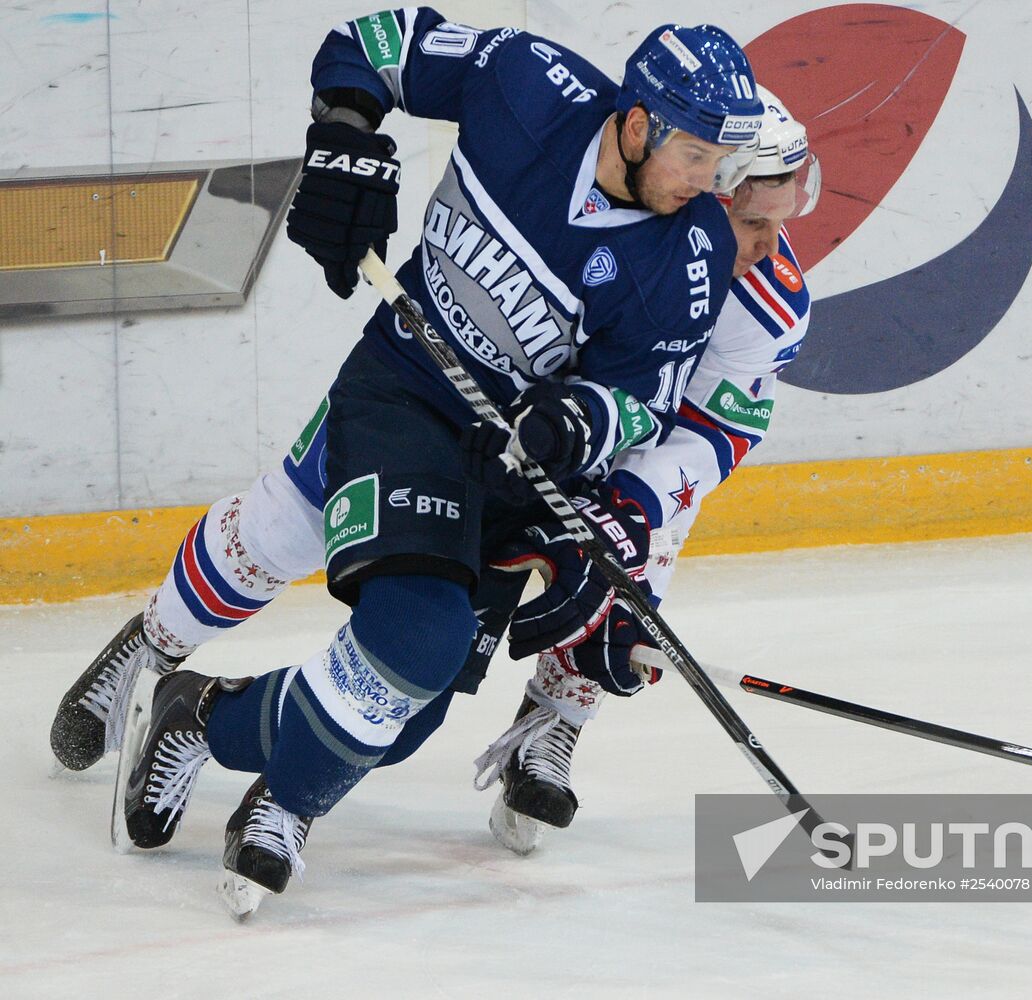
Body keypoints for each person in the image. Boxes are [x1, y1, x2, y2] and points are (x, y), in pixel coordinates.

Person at [65, 9, 764, 917]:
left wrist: (575, 420)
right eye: (696, 156)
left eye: (721, 163)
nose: (708, 182)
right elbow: (377, 44)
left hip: (508, 464)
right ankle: (279, 793)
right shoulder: (527, 84)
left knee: (405, 714)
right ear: (637, 122)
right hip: (405, 391)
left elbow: (642, 396)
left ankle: (202, 717)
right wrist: (344, 135)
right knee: (378, 612)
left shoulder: (692, 251)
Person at [473, 86, 819, 853]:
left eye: (778, 221)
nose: (768, 247)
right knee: (428, 656)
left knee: (634, 570)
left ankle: (551, 727)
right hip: (521, 435)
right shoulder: (601, 225)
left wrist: (630, 509)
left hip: (629, 456)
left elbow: (718, 433)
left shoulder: (767, 305)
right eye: (749, 222)